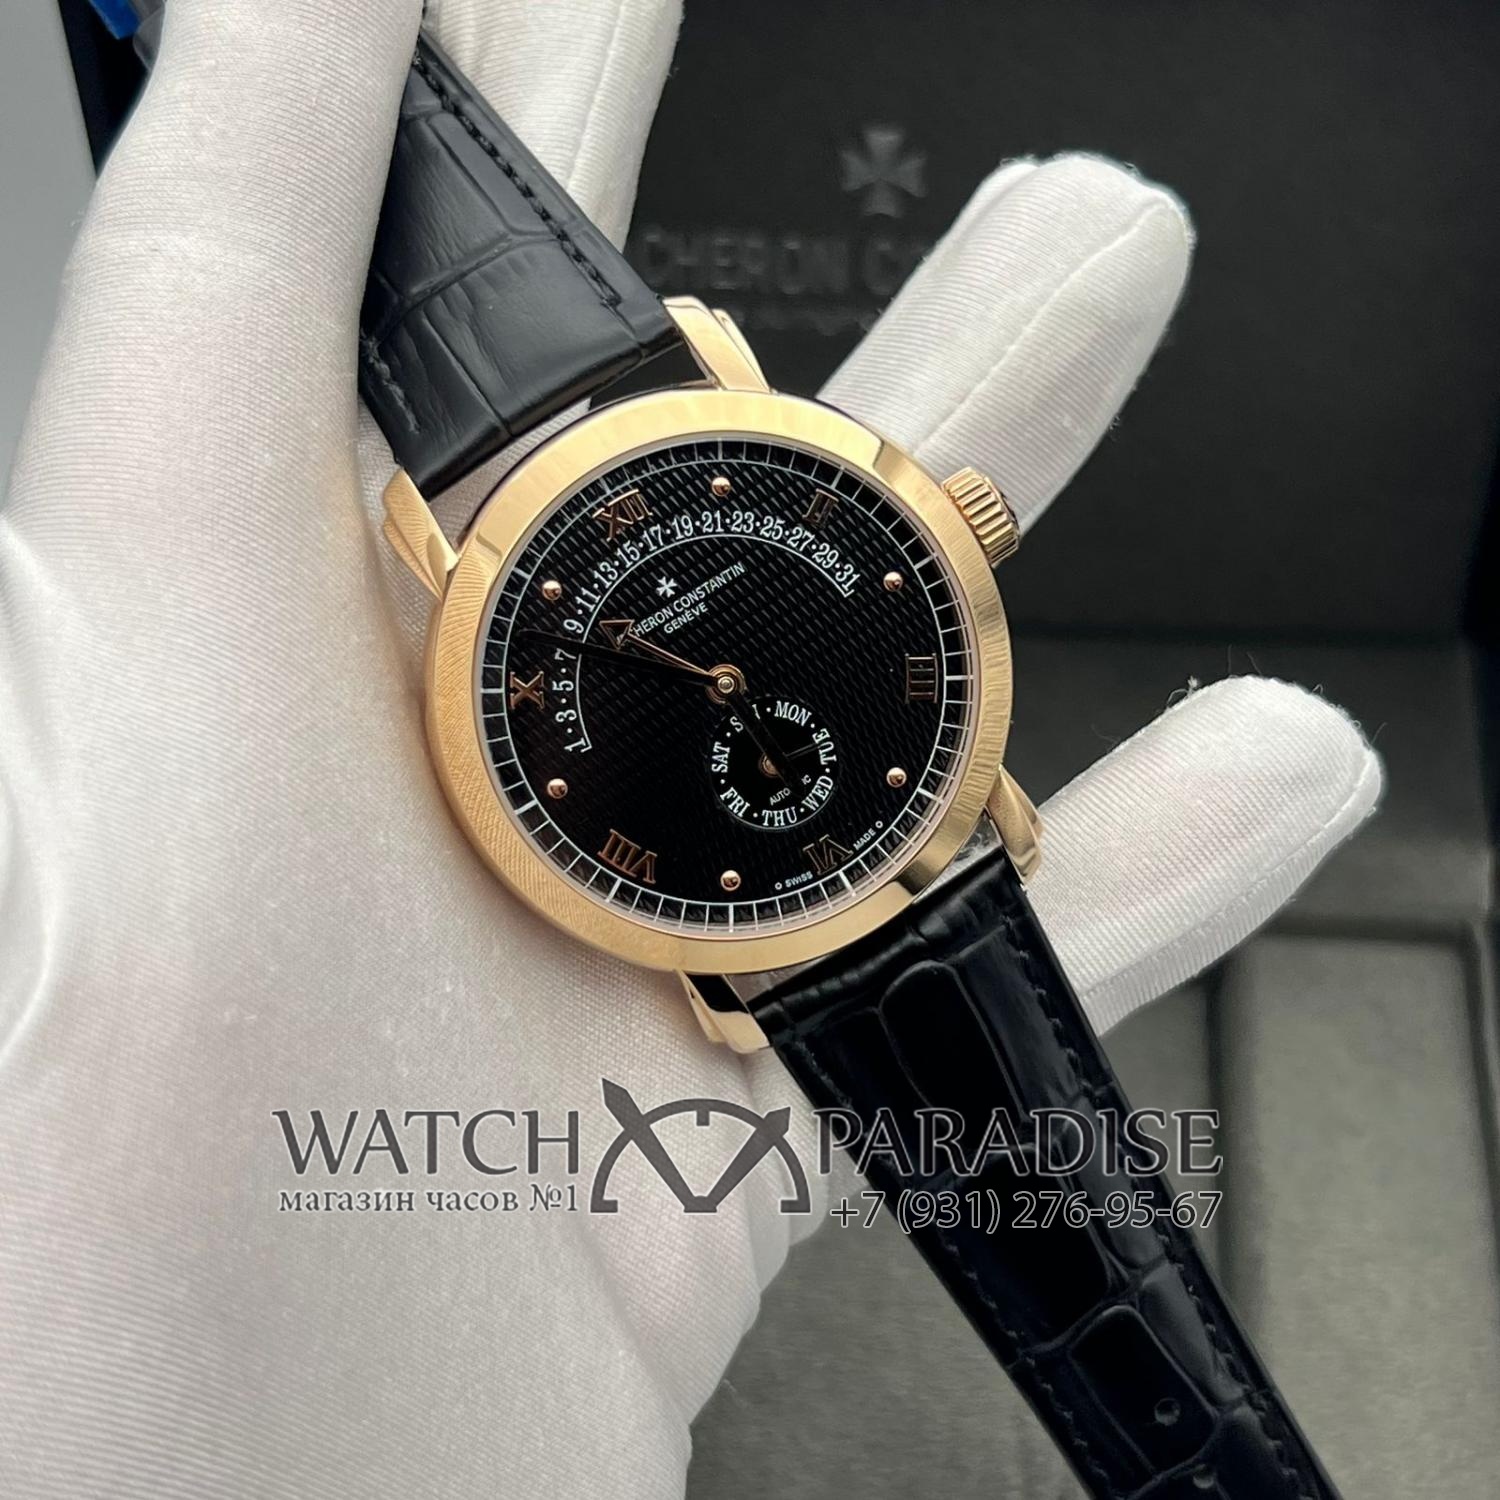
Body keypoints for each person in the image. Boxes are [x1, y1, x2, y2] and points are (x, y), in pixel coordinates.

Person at [0, 1, 1381, 1495]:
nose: (726, 680)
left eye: (731, 663)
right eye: (698, 673)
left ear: (947, 531)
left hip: (853, 859)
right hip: (773, 890)